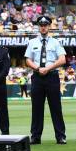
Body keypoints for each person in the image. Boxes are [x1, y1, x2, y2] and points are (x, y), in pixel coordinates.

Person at [25, 16, 67, 144]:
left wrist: (48, 68)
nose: (43, 27)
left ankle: (60, 136)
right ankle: (35, 136)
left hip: (52, 76)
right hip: (37, 76)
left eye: (46, 25)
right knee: (36, 108)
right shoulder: (32, 42)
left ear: (49, 27)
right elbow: (27, 60)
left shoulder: (56, 42)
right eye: (41, 25)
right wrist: (38, 68)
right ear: (39, 26)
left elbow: (62, 59)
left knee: (56, 107)